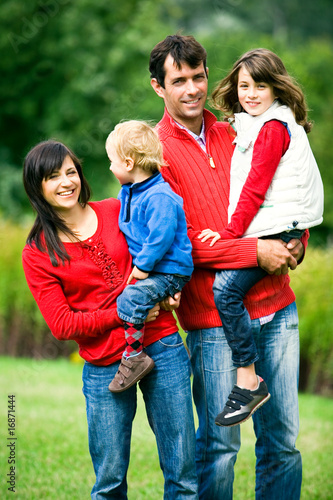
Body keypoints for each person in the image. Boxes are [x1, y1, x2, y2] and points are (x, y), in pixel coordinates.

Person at [149, 34, 308, 500]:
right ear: (159, 87)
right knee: (220, 447)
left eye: (198, 76)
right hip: (213, 322)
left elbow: (283, 183)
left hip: (277, 309)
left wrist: (294, 239)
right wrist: (256, 253)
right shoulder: (155, 152)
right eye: (179, 81)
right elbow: (180, 244)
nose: (193, 89)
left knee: (283, 444)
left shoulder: (240, 130)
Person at [21, 140, 198, 499]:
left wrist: (171, 289)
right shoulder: (38, 251)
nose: (66, 182)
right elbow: (64, 324)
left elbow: (165, 245)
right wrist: (125, 313)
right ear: (37, 187)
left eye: (71, 171)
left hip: (161, 342)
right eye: (53, 176)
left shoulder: (117, 209)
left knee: (183, 475)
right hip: (104, 364)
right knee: (109, 481)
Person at [196, 48, 324, 427]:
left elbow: (255, 189)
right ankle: (249, 380)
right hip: (280, 228)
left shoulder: (271, 129)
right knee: (229, 290)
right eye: (244, 86)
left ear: (277, 90)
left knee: (225, 290)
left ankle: (248, 380)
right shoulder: (263, 124)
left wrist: (229, 236)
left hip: (276, 231)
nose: (251, 94)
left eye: (261, 86)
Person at [105, 120, 193, 393]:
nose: (110, 167)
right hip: (156, 271)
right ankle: (135, 354)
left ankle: (134, 356)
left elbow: (162, 235)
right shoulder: (128, 192)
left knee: (131, 297)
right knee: (131, 295)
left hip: (169, 270)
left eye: (113, 161)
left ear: (128, 163)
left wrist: (142, 266)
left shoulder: (159, 196)